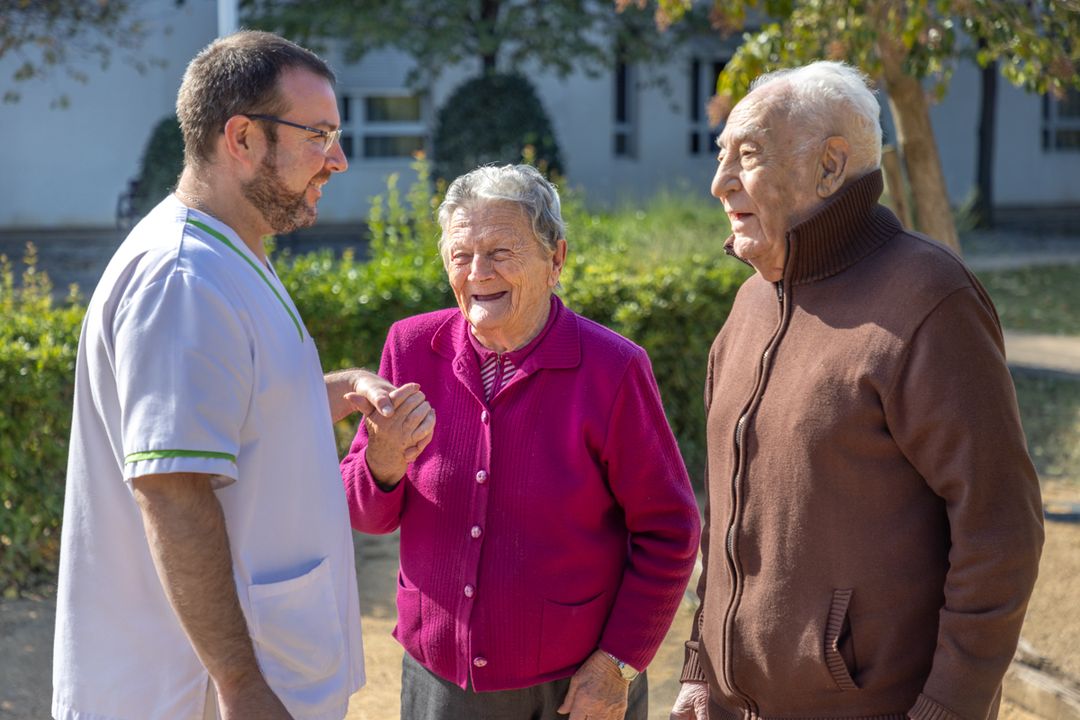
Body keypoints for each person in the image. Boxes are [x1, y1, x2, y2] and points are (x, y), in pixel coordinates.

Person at [52, 30, 433, 720]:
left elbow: (234, 420)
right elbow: (173, 491)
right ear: (242, 138)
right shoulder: (183, 279)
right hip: (195, 695)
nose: (338, 160)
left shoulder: (227, 254)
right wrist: (241, 685)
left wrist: (341, 392)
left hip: (257, 676)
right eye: (319, 135)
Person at [670, 61, 1045, 720]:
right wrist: (701, 667)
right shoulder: (749, 304)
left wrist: (947, 711)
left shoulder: (930, 301)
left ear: (830, 165)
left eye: (747, 157)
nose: (718, 182)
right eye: (721, 155)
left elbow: (1000, 534)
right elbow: (725, 512)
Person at [340, 164, 702, 720]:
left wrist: (617, 665)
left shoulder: (613, 369)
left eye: (501, 252)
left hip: (574, 690)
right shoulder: (410, 348)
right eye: (461, 255)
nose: (478, 272)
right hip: (442, 681)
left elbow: (670, 528)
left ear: (555, 259)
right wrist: (382, 465)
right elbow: (362, 513)